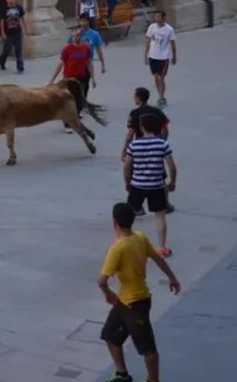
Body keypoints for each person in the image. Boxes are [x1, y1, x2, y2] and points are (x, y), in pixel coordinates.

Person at [98, 202, 181, 382]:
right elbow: (158, 258)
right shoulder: (140, 238)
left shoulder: (117, 248)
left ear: (114, 222)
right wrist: (172, 277)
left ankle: (153, 379)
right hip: (124, 302)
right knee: (110, 335)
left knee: (147, 347)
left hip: (136, 303)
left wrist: (107, 293)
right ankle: (122, 374)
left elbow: (102, 280)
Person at [124, 114, 177, 256]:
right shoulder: (162, 144)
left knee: (129, 214)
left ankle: (123, 242)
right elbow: (171, 166)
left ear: (141, 127)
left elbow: (127, 166)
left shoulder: (134, 145)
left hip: (137, 184)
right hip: (156, 185)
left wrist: (127, 182)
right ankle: (162, 247)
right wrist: (172, 182)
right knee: (159, 215)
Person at [122, 87, 174, 215]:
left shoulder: (135, 113)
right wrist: (161, 142)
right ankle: (165, 203)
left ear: (138, 98)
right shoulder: (157, 111)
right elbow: (165, 129)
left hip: (139, 146)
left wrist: (124, 149)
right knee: (160, 175)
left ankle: (137, 206)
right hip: (155, 145)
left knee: (136, 175)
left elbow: (130, 134)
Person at [49, 29, 96, 134]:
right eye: (74, 36)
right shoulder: (67, 49)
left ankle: (75, 119)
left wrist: (93, 78)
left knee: (79, 101)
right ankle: (67, 123)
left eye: (78, 35)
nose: (76, 38)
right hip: (69, 79)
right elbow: (60, 64)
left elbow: (89, 63)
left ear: (81, 36)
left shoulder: (86, 48)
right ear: (71, 37)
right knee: (69, 101)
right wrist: (52, 80)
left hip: (81, 78)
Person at [144, 11, 176, 109]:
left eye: (158, 17)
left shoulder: (169, 29)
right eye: (155, 17)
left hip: (164, 57)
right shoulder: (152, 27)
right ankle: (161, 95)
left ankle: (161, 98)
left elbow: (172, 43)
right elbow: (148, 41)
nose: (156, 18)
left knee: (161, 77)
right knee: (155, 77)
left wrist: (174, 56)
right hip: (153, 56)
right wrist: (145, 55)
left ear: (163, 18)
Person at [0, 0, 28, 74]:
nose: (11, 0)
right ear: (7, 0)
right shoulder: (4, 10)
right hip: (8, 33)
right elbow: (2, 22)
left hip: (18, 32)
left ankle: (20, 67)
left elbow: (22, 19)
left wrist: (25, 28)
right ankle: (2, 62)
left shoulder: (19, 8)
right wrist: (2, 32)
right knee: (6, 50)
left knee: (18, 50)